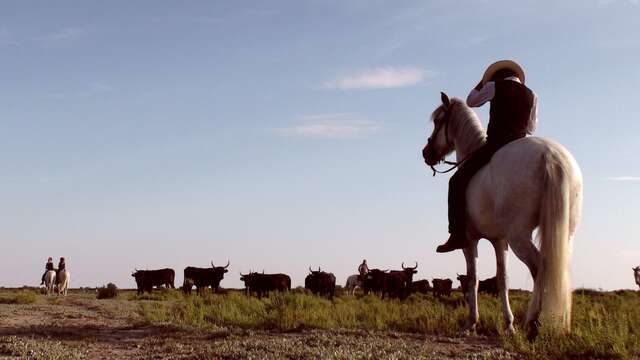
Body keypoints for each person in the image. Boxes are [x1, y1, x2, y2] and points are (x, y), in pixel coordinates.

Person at [437, 60, 538, 253]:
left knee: (456, 182)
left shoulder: (493, 86)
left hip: (496, 145)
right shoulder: (532, 95)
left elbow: (471, 101)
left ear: (494, 77)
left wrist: (482, 82)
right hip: (520, 144)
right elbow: (531, 128)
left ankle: (457, 235)